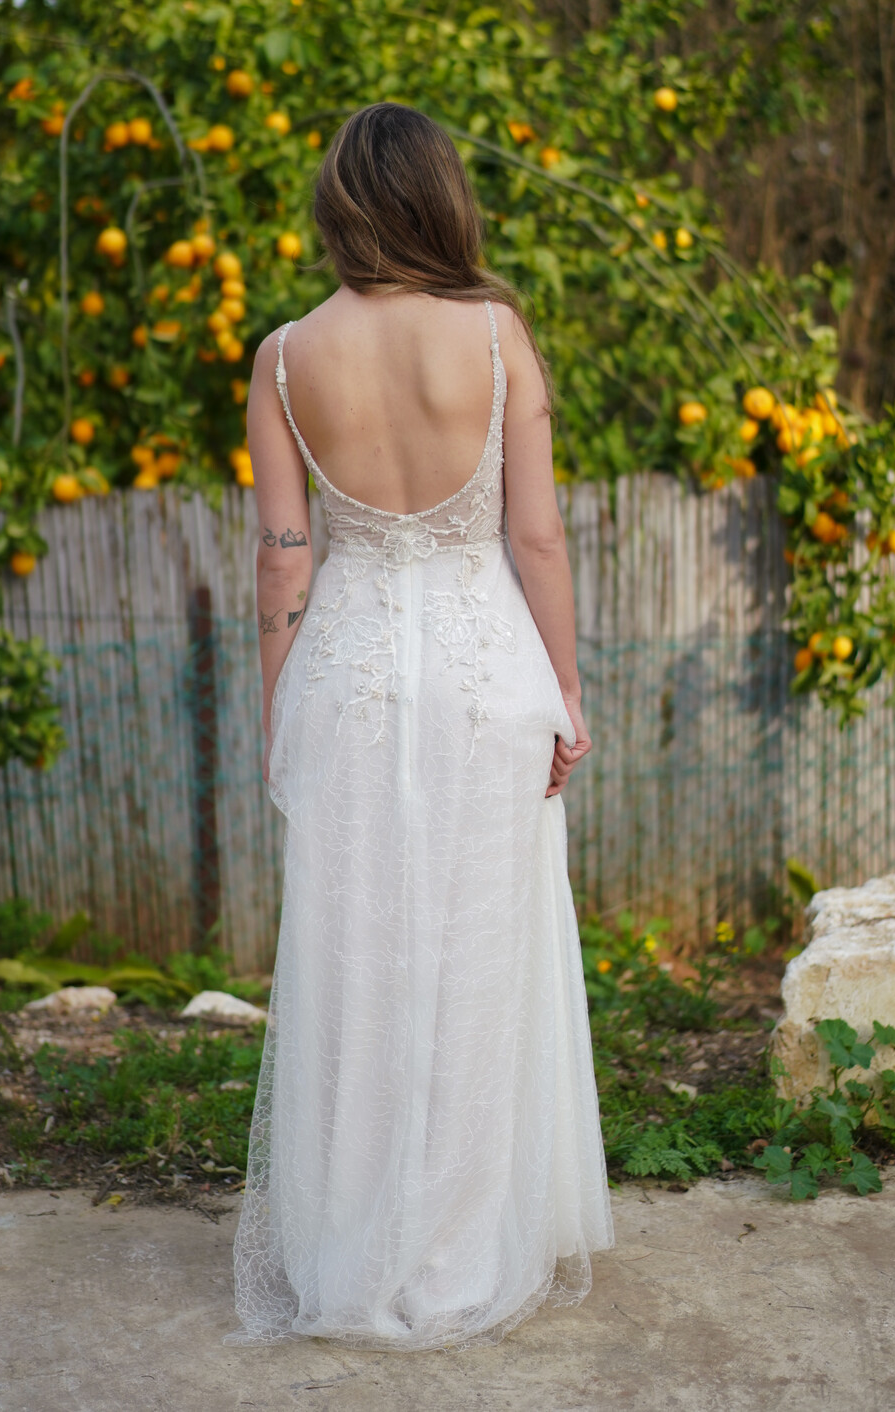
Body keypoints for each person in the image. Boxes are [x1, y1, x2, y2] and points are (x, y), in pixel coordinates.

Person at [226, 103, 613, 1352]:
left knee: (354, 960)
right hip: (483, 674)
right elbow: (534, 536)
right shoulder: (494, 334)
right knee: (477, 956)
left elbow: (282, 557)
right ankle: (456, 1254)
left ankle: (347, 1249)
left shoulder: (284, 356)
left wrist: (279, 707)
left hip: (345, 679)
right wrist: (565, 689)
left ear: (340, 206)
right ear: (440, 197)